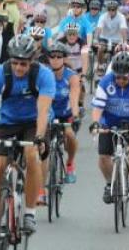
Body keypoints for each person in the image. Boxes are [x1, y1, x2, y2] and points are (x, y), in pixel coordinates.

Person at [0, 35, 56, 235]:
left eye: (24, 64)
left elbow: (43, 109)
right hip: (7, 122)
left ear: (32, 61)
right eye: (16, 63)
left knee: (31, 155)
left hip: (34, 122)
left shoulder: (43, 75)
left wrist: (39, 137)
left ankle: (29, 213)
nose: (19, 68)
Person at [90, 51, 129, 203]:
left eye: (124, 77)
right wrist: (96, 123)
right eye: (117, 77)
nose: (120, 81)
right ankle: (109, 184)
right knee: (103, 156)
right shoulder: (105, 82)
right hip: (110, 122)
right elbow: (98, 108)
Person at [48, 42, 81, 183]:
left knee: (70, 136)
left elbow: (74, 97)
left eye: (59, 56)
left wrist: (75, 115)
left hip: (65, 114)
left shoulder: (71, 76)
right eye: (52, 56)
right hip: (48, 114)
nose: (55, 59)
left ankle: (70, 164)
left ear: (64, 59)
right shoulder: (44, 74)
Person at [94, 0, 128, 73]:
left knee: (118, 51)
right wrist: (95, 39)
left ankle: (114, 66)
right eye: (109, 9)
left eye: (113, 9)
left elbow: (123, 30)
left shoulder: (121, 17)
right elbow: (99, 29)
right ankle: (100, 65)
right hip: (104, 37)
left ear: (116, 9)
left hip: (117, 39)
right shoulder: (103, 16)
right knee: (100, 48)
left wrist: (125, 42)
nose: (111, 11)